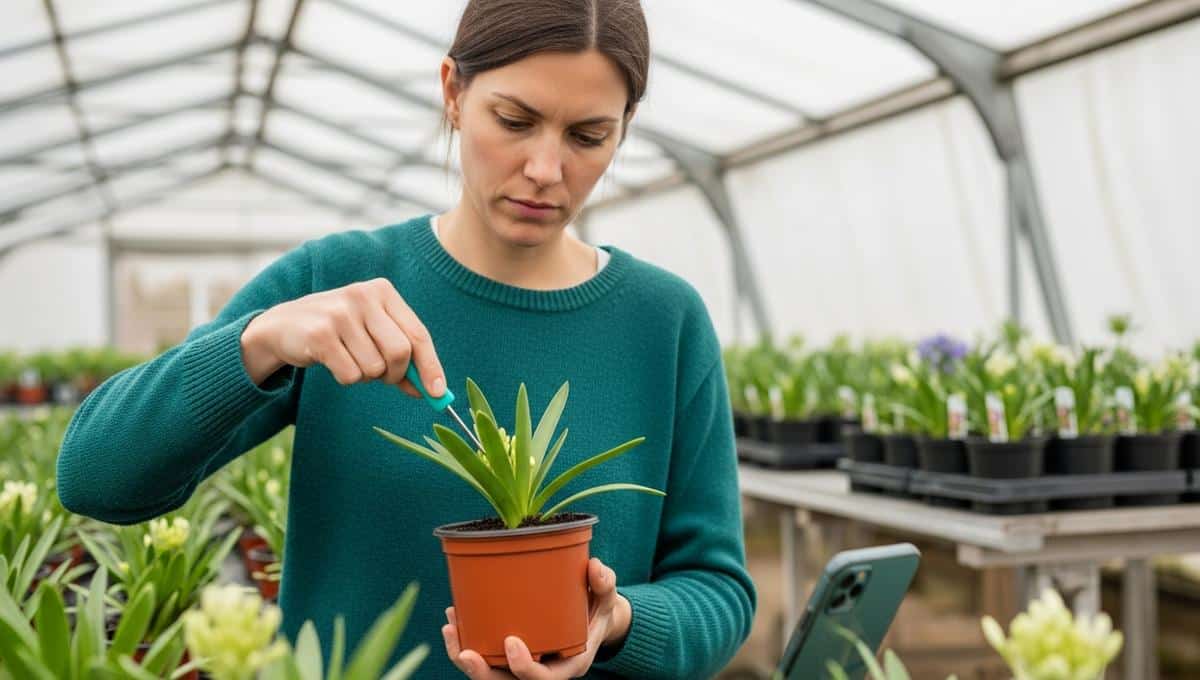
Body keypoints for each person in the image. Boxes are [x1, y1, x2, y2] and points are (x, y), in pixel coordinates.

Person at [56, 1, 756, 677]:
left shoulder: (664, 321)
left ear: (626, 126)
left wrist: (616, 621)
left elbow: (718, 591)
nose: (546, 170)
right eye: (514, 121)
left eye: (588, 136)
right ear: (453, 92)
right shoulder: (336, 281)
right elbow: (94, 477)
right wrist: (260, 341)